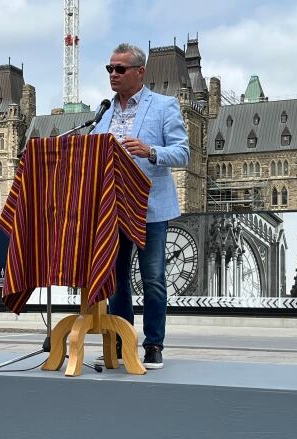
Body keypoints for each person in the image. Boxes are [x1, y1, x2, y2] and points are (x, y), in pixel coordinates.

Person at [91, 43, 189, 369]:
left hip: (150, 208)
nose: (113, 75)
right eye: (110, 69)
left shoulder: (164, 106)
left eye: (120, 69)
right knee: (116, 281)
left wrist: (150, 151)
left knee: (153, 279)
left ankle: (154, 345)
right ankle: (121, 341)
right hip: (112, 210)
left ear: (139, 72)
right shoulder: (103, 113)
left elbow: (182, 153)